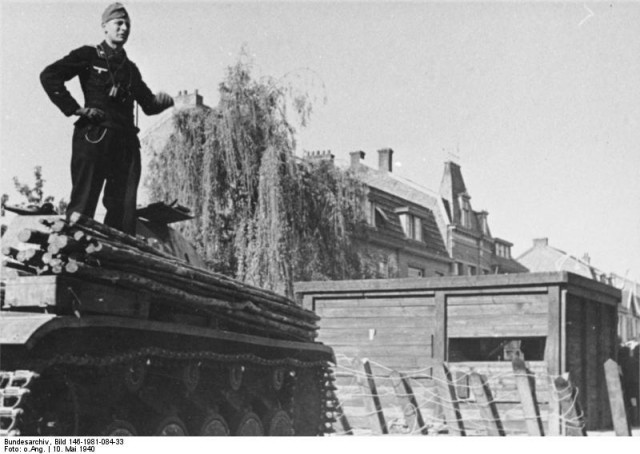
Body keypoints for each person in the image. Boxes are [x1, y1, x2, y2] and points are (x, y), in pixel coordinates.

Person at [40, 3, 174, 234]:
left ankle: (112, 260)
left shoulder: (131, 69)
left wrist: (163, 102)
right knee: (84, 201)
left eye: (127, 25)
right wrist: (76, 109)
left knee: (122, 210)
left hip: (125, 145)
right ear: (105, 27)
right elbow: (49, 76)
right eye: (118, 23)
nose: (124, 29)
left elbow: (148, 105)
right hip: (94, 137)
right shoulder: (88, 55)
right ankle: (73, 250)